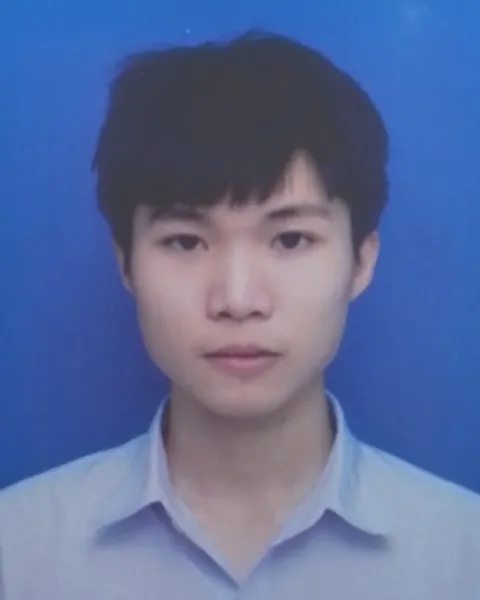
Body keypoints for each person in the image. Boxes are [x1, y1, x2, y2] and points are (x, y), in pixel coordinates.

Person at [0, 29, 479, 600]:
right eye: (185, 241)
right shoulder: (19, 549)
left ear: (361, 261)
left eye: (291, 239)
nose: (237, 299)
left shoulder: (461, 552)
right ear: (125, 262)